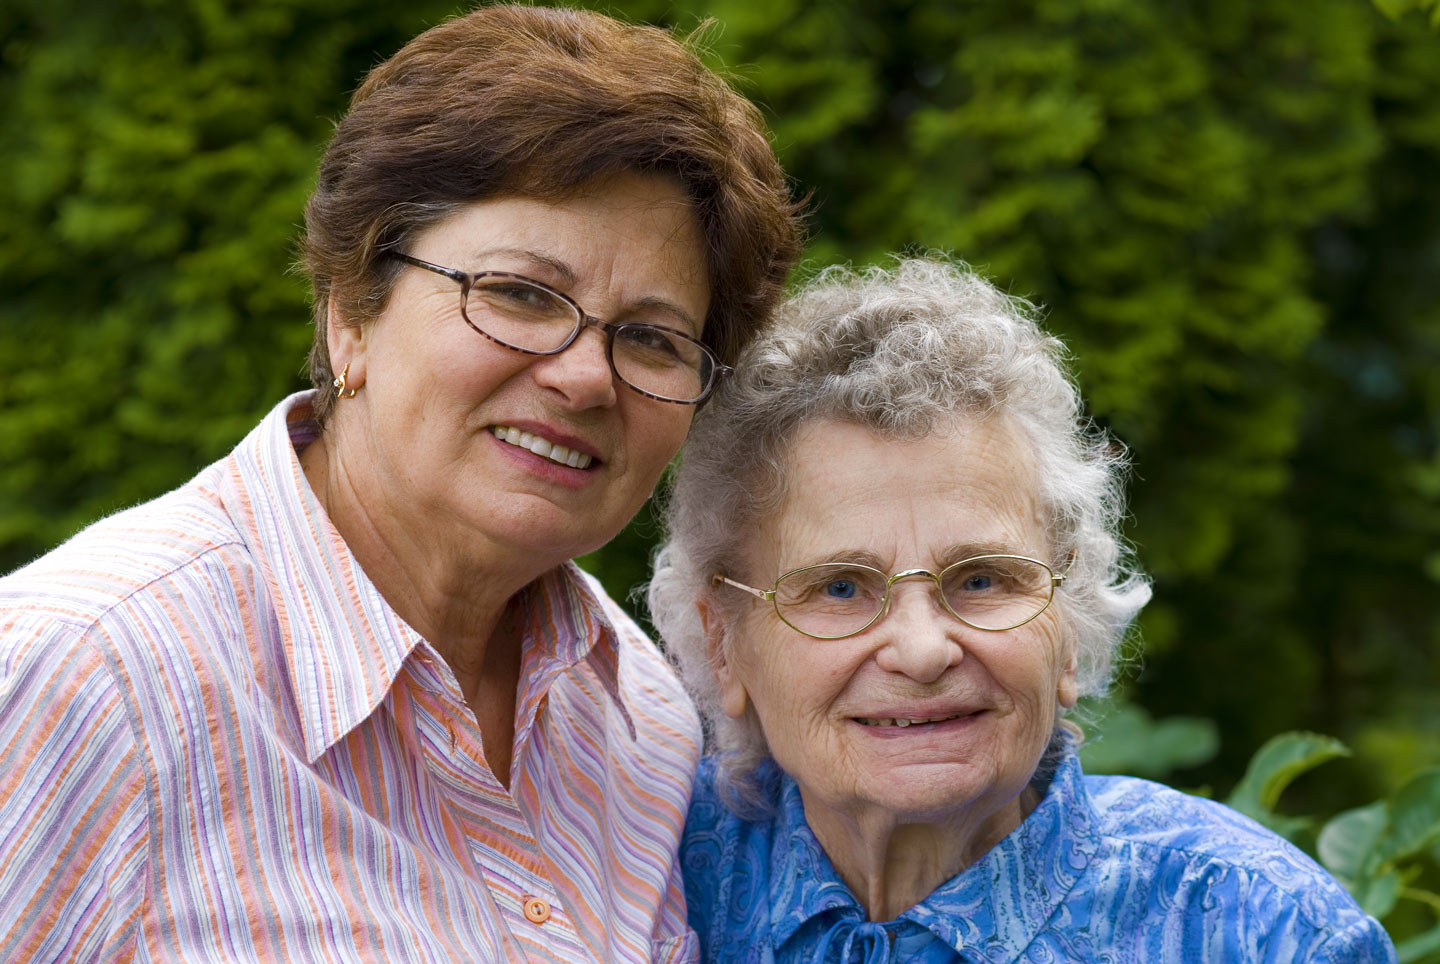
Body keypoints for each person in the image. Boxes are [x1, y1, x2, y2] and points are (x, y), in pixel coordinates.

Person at [0, 6, 801, 962]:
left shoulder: (646, 720)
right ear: (351, 313)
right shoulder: (86, 679)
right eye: (519, 294)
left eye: (654, 339)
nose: (586, 375)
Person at [649, 259, 1396, 964]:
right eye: (841, 588)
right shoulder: (647, 882)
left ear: (1068, 624)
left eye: (981, 580)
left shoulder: (1257, 930)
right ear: (724, 645)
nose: (921, 649)